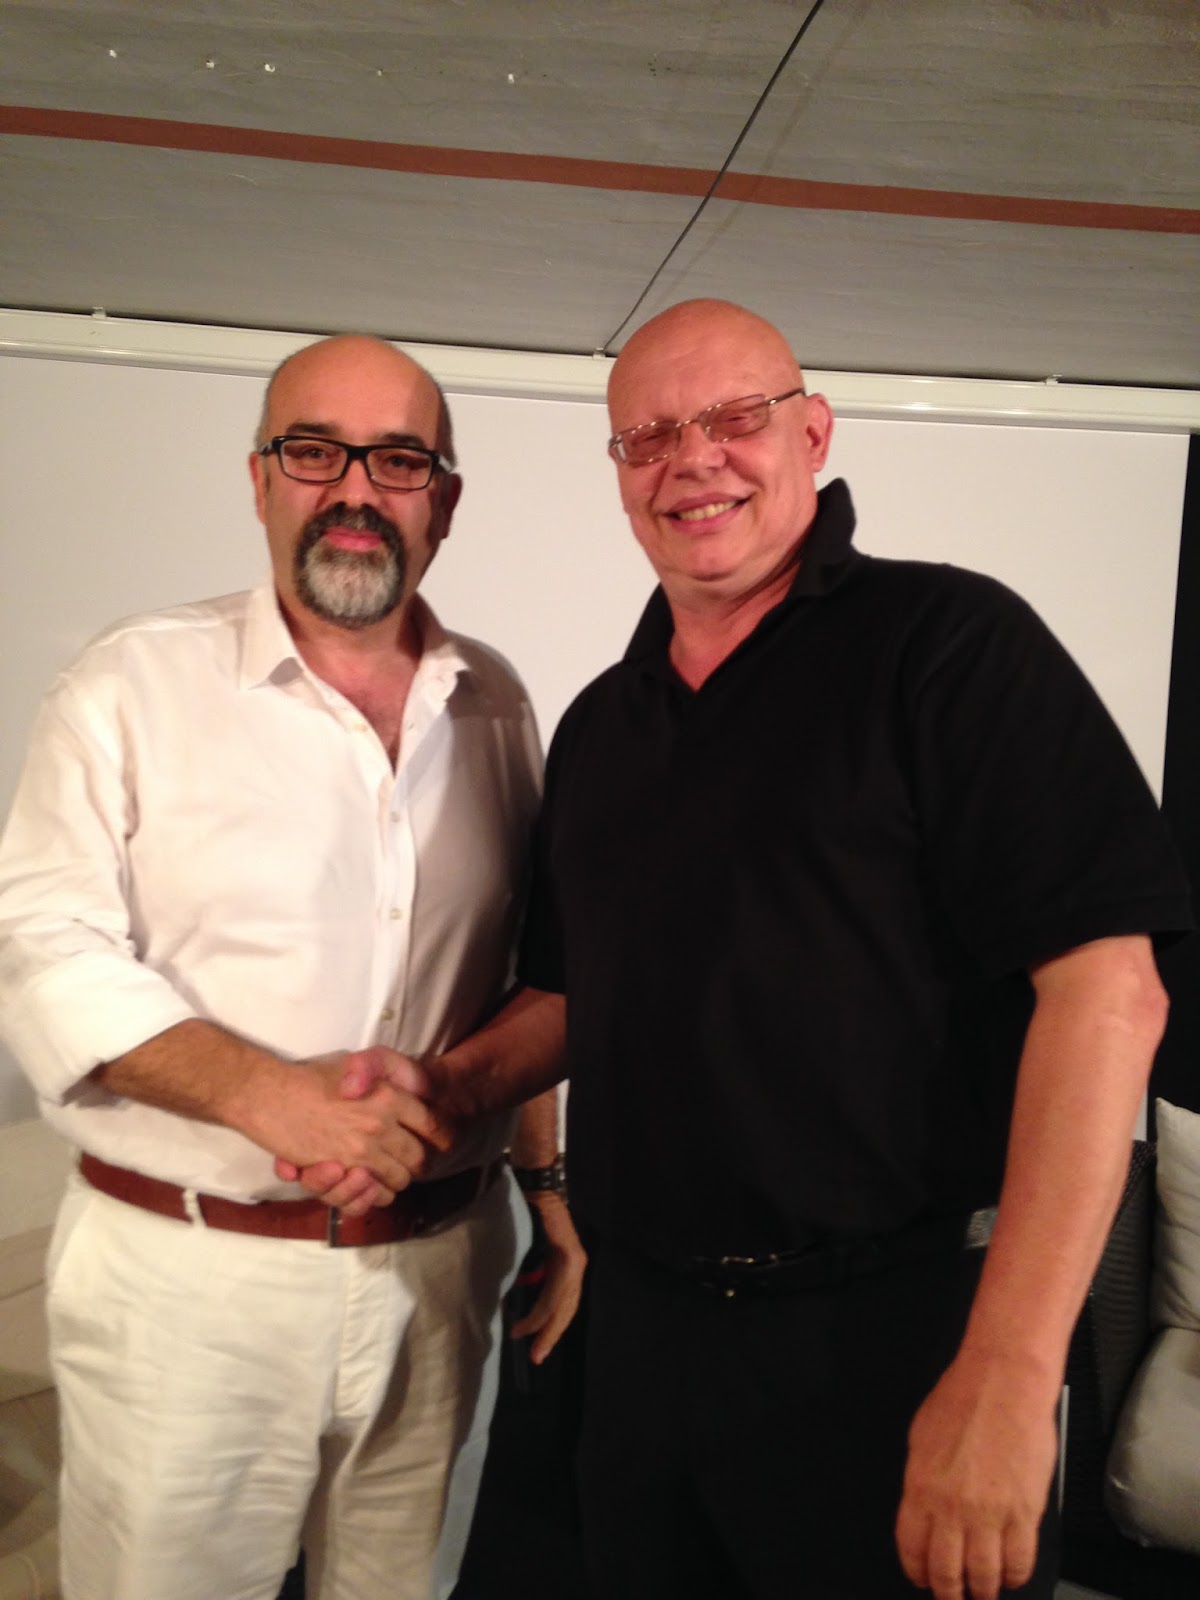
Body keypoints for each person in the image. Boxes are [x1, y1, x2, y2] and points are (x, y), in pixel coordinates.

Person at [309, 298, 1193, 1600]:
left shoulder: (948, 645)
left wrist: (1008, 1374)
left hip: (896, 1343)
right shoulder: (606, 725)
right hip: (642, 1347)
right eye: (650, 436)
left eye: (734, 418)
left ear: (813, 434)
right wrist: (440, 1089)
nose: (694, 459)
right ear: (620, 472)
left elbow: (1110, 996)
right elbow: (571, 995)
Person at [0, 333, 584, 1600]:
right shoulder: (130, 683)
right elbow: (43, 942)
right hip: (186, 1289)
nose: (356, 490)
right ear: (261, 479)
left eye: (400, 460)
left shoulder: (495, 702)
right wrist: (269, 1095)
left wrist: (547, 1188)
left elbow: (530, 966)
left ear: (444, 500)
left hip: (438, 1270)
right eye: (316, 451)